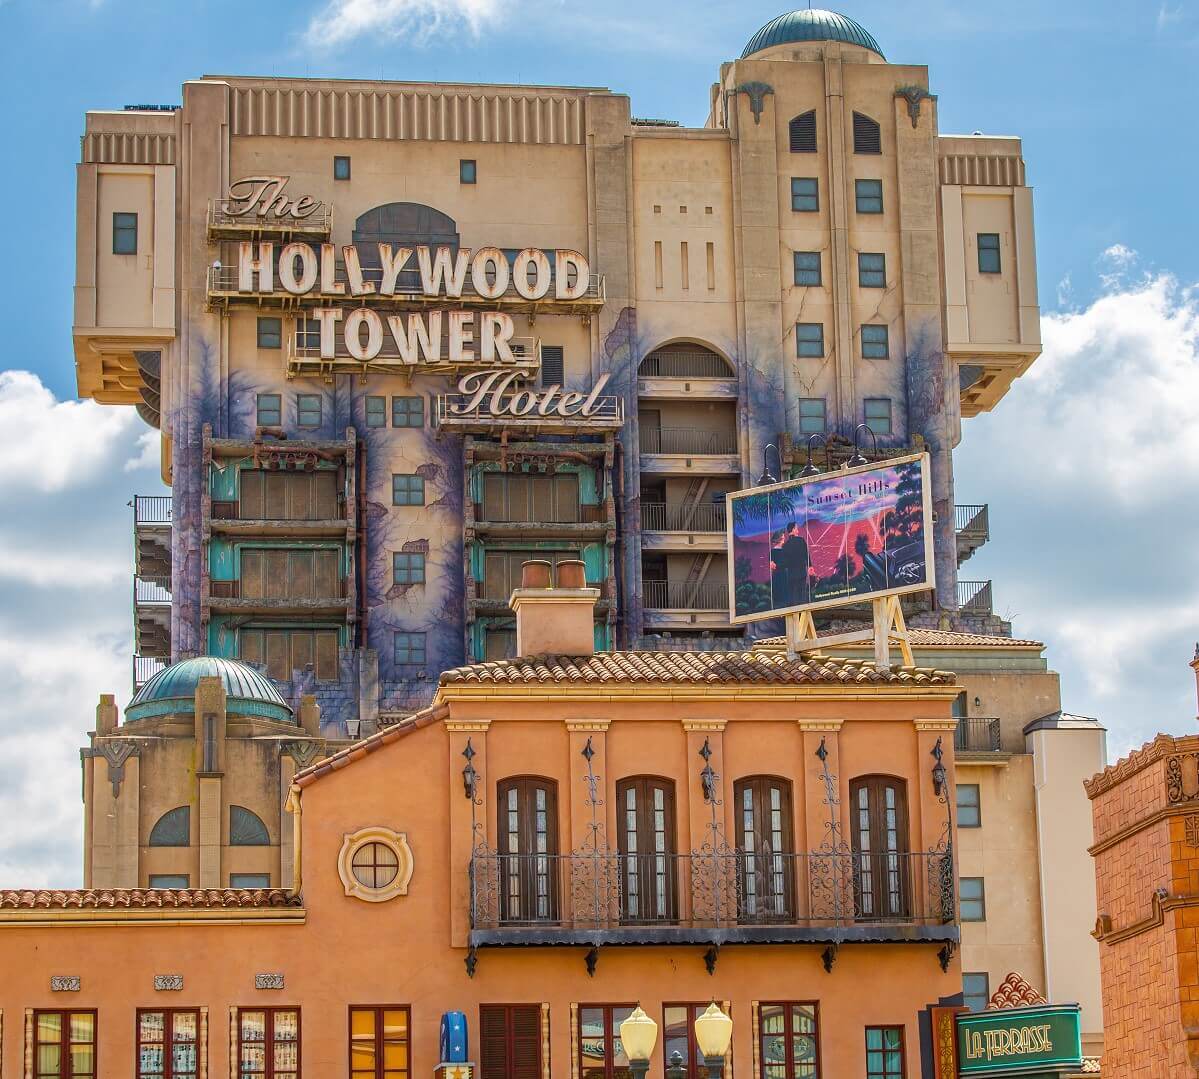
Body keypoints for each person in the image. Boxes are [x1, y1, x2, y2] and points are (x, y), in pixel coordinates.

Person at [775, 521, 811, 607]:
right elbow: (807, 555)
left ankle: (796, 617)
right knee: (802, 596)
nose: (798, 530)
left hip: (791, 575)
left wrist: (776, 566)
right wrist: (810, 566)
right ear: (793, 529)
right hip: (802, 573)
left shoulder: (785, 545)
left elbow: (784, 563)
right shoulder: (801, 540)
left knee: (793, 598)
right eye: (797, 528)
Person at [768, 529, 790, 608]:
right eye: (783, 537)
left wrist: (776, 565)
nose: (784, 538)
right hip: (780, 575)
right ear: (779, 539)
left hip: (782, 574)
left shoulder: (777, 551)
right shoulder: (776, 551)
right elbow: (772, 565)